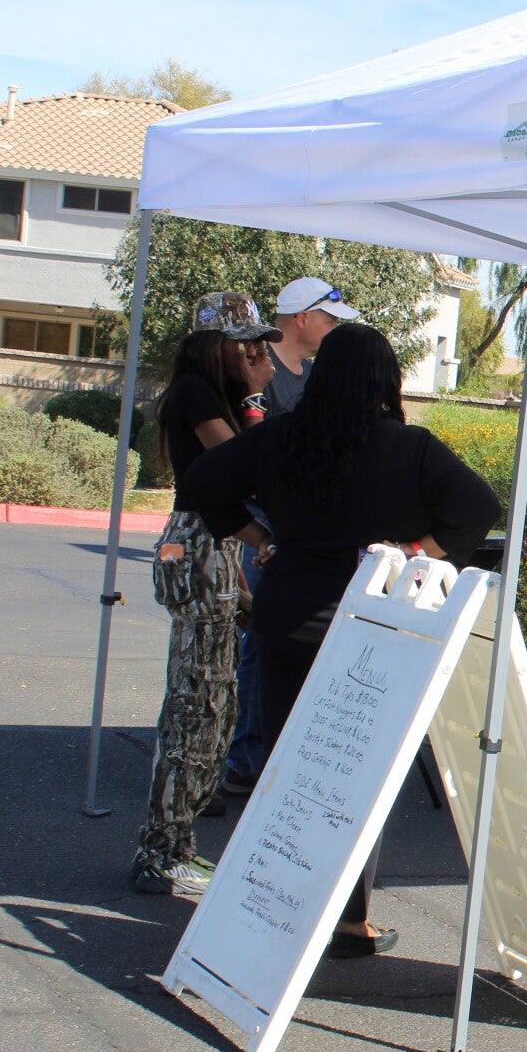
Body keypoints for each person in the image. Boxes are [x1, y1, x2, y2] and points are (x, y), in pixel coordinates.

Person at [180, 323, 500, 956]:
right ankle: (350, 922)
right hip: (373, 621)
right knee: (357, 775)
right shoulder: (409, 447)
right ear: (386, 380)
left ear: (322, 374)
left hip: (288, 612)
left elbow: (201, 483)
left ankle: (272, 909)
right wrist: (412, 554)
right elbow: (479, 508)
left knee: (285, 769)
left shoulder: (280, 435)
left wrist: (261, 539)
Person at [129, 292, 278, 896]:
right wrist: (257, 395)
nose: (256, 354)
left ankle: (176, 843)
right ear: (216, 344)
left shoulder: (216, 395)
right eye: (246, 344)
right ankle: (161, 850)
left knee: (215, 703)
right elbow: (245, 466)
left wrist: (252, 397)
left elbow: (243, 478)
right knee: (195, 704)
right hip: (196, 549)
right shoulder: (194, 393)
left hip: (215, 547)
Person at [217, 278, 359, 800]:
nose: (334, 328)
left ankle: (268, 756)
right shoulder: (258, 370)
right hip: (262, 525)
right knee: (259, 642)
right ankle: (246, 760)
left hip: (300, 527)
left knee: (283, 643)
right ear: (302, 317)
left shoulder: (313, 375)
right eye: (330, 318)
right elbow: (243, 454)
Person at [263, 277, 360, 416]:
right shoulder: (254, 366)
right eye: (331, 323)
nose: (335, 332)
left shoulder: (315, 374)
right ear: (302, 319)